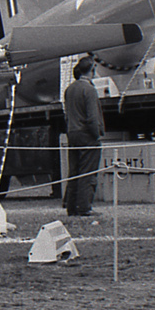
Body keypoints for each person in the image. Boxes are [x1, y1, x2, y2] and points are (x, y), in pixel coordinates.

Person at [63, 56, 105, 217]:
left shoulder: (70, 89)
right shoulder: (89, 89)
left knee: (74, 170)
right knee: (88, 172)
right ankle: (84, 206)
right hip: (86, 134)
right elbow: (92, 117)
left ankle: (71, 205)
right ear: (92, 70)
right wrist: (97, 134)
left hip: (72, 132)